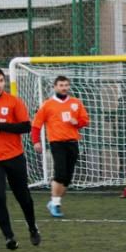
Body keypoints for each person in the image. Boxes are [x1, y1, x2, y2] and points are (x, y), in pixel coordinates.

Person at [0, 67, 40, 249]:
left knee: (23, 197)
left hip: (14, 157)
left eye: (1, 81)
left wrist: (3, 127)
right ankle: (9, 236)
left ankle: (33, 227)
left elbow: (26, 126)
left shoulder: (13, 102)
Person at [31, 75, 90, 217]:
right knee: (60, 173)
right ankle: (56, 204)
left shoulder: (76, 103)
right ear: (55, 87)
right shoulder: (47, 105)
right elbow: (36, 125)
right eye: (61, 85)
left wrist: (77, 122)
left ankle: (54, 202)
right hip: (57, 143)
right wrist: (36, 141)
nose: (64, 88)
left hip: (73, 143)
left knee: (67, 178)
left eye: (66, 85)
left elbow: (85, 121)